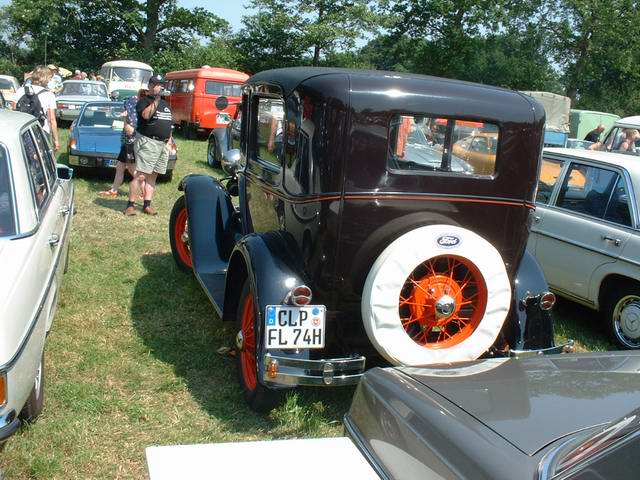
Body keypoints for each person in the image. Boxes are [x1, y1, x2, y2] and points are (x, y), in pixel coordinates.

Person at [124, 75, 172, 216]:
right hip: (148, 142)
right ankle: (130, 205)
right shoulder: (144, 101)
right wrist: (156, 99)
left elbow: (168, 123)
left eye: (162, 84)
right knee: (141, 176)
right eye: (157, 84)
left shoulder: (166, 104)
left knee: (153, 176)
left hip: (162, 144)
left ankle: (147, 205)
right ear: (150, 86)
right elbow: (145, 115)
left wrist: (169, 140)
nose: (160, 87)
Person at [99, 91, 145, 197]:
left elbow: (129, 131)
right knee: (120, 167)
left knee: (132, 169)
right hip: (126, 143)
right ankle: (114, 190)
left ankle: (143, 192)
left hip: (130, 143)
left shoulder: (138, 110)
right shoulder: (132, 102)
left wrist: (125, 118)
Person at [13, 66, 60, 151]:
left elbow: (14, 111)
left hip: (21, 130)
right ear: (46, 78)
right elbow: (51, 120)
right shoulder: (49, 95)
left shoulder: (20, 90)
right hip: (41, 130)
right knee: (40, 157)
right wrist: (55, 140)